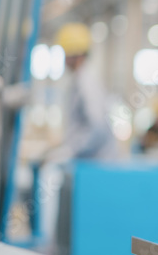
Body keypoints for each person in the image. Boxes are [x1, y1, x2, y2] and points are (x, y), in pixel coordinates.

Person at [45, 23, 117, 162]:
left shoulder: (87, 84)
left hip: (96, 166)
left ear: (75, 55)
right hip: (90, 165)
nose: (64, 60)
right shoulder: (79, 82)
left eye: (65, 54)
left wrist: (71, 150)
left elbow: (98, 128)